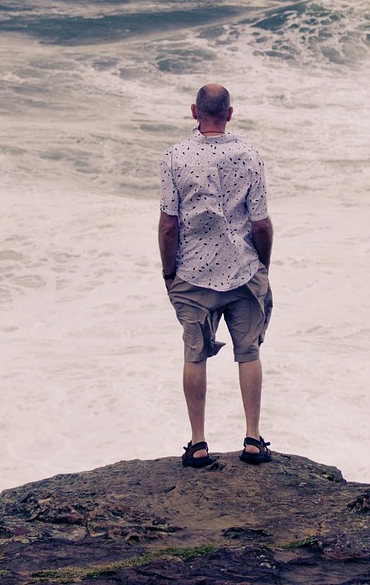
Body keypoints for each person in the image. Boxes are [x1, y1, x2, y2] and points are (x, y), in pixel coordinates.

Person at [159, 83, 274, 468]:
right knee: (249, 353)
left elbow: (168, 226)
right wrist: (263, 265)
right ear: (229, 113)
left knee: (194, 355)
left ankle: (198, 443)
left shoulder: (175, 157)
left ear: (194, 112)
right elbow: (261, 223)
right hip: (242, 270)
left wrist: (169, 273)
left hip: (192, 272)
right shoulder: (249, 155)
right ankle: (254, 439)